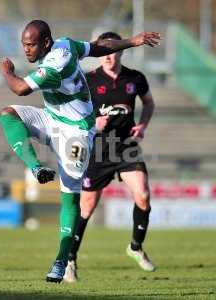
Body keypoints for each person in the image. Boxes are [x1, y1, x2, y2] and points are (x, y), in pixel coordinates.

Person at [0, 20, 160, 283]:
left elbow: (20, 88)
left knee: (70, 197)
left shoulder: (54, 65)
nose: (26, 50)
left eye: (31, 45)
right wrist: (133, 40)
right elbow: (98, 47)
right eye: (23, 45)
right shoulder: (66, 45)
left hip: (77, 134)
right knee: (8, 114)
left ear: (46, 43)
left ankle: (62, 260)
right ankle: (37, 167)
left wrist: (6, 71)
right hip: (52, 119)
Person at [64, 31, 156, 283]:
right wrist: (94, 123)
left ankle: (135, 247)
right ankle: (69, 260)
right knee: (86, 208)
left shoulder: (135, 78)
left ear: (121, 51)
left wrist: (143, 125)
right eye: (104, 50)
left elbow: (148, 103)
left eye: (113, 50)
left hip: (126, 145)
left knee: (143, 194)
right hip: (98, 149)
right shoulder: (88, 80)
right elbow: (72, 113)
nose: (108, 55)